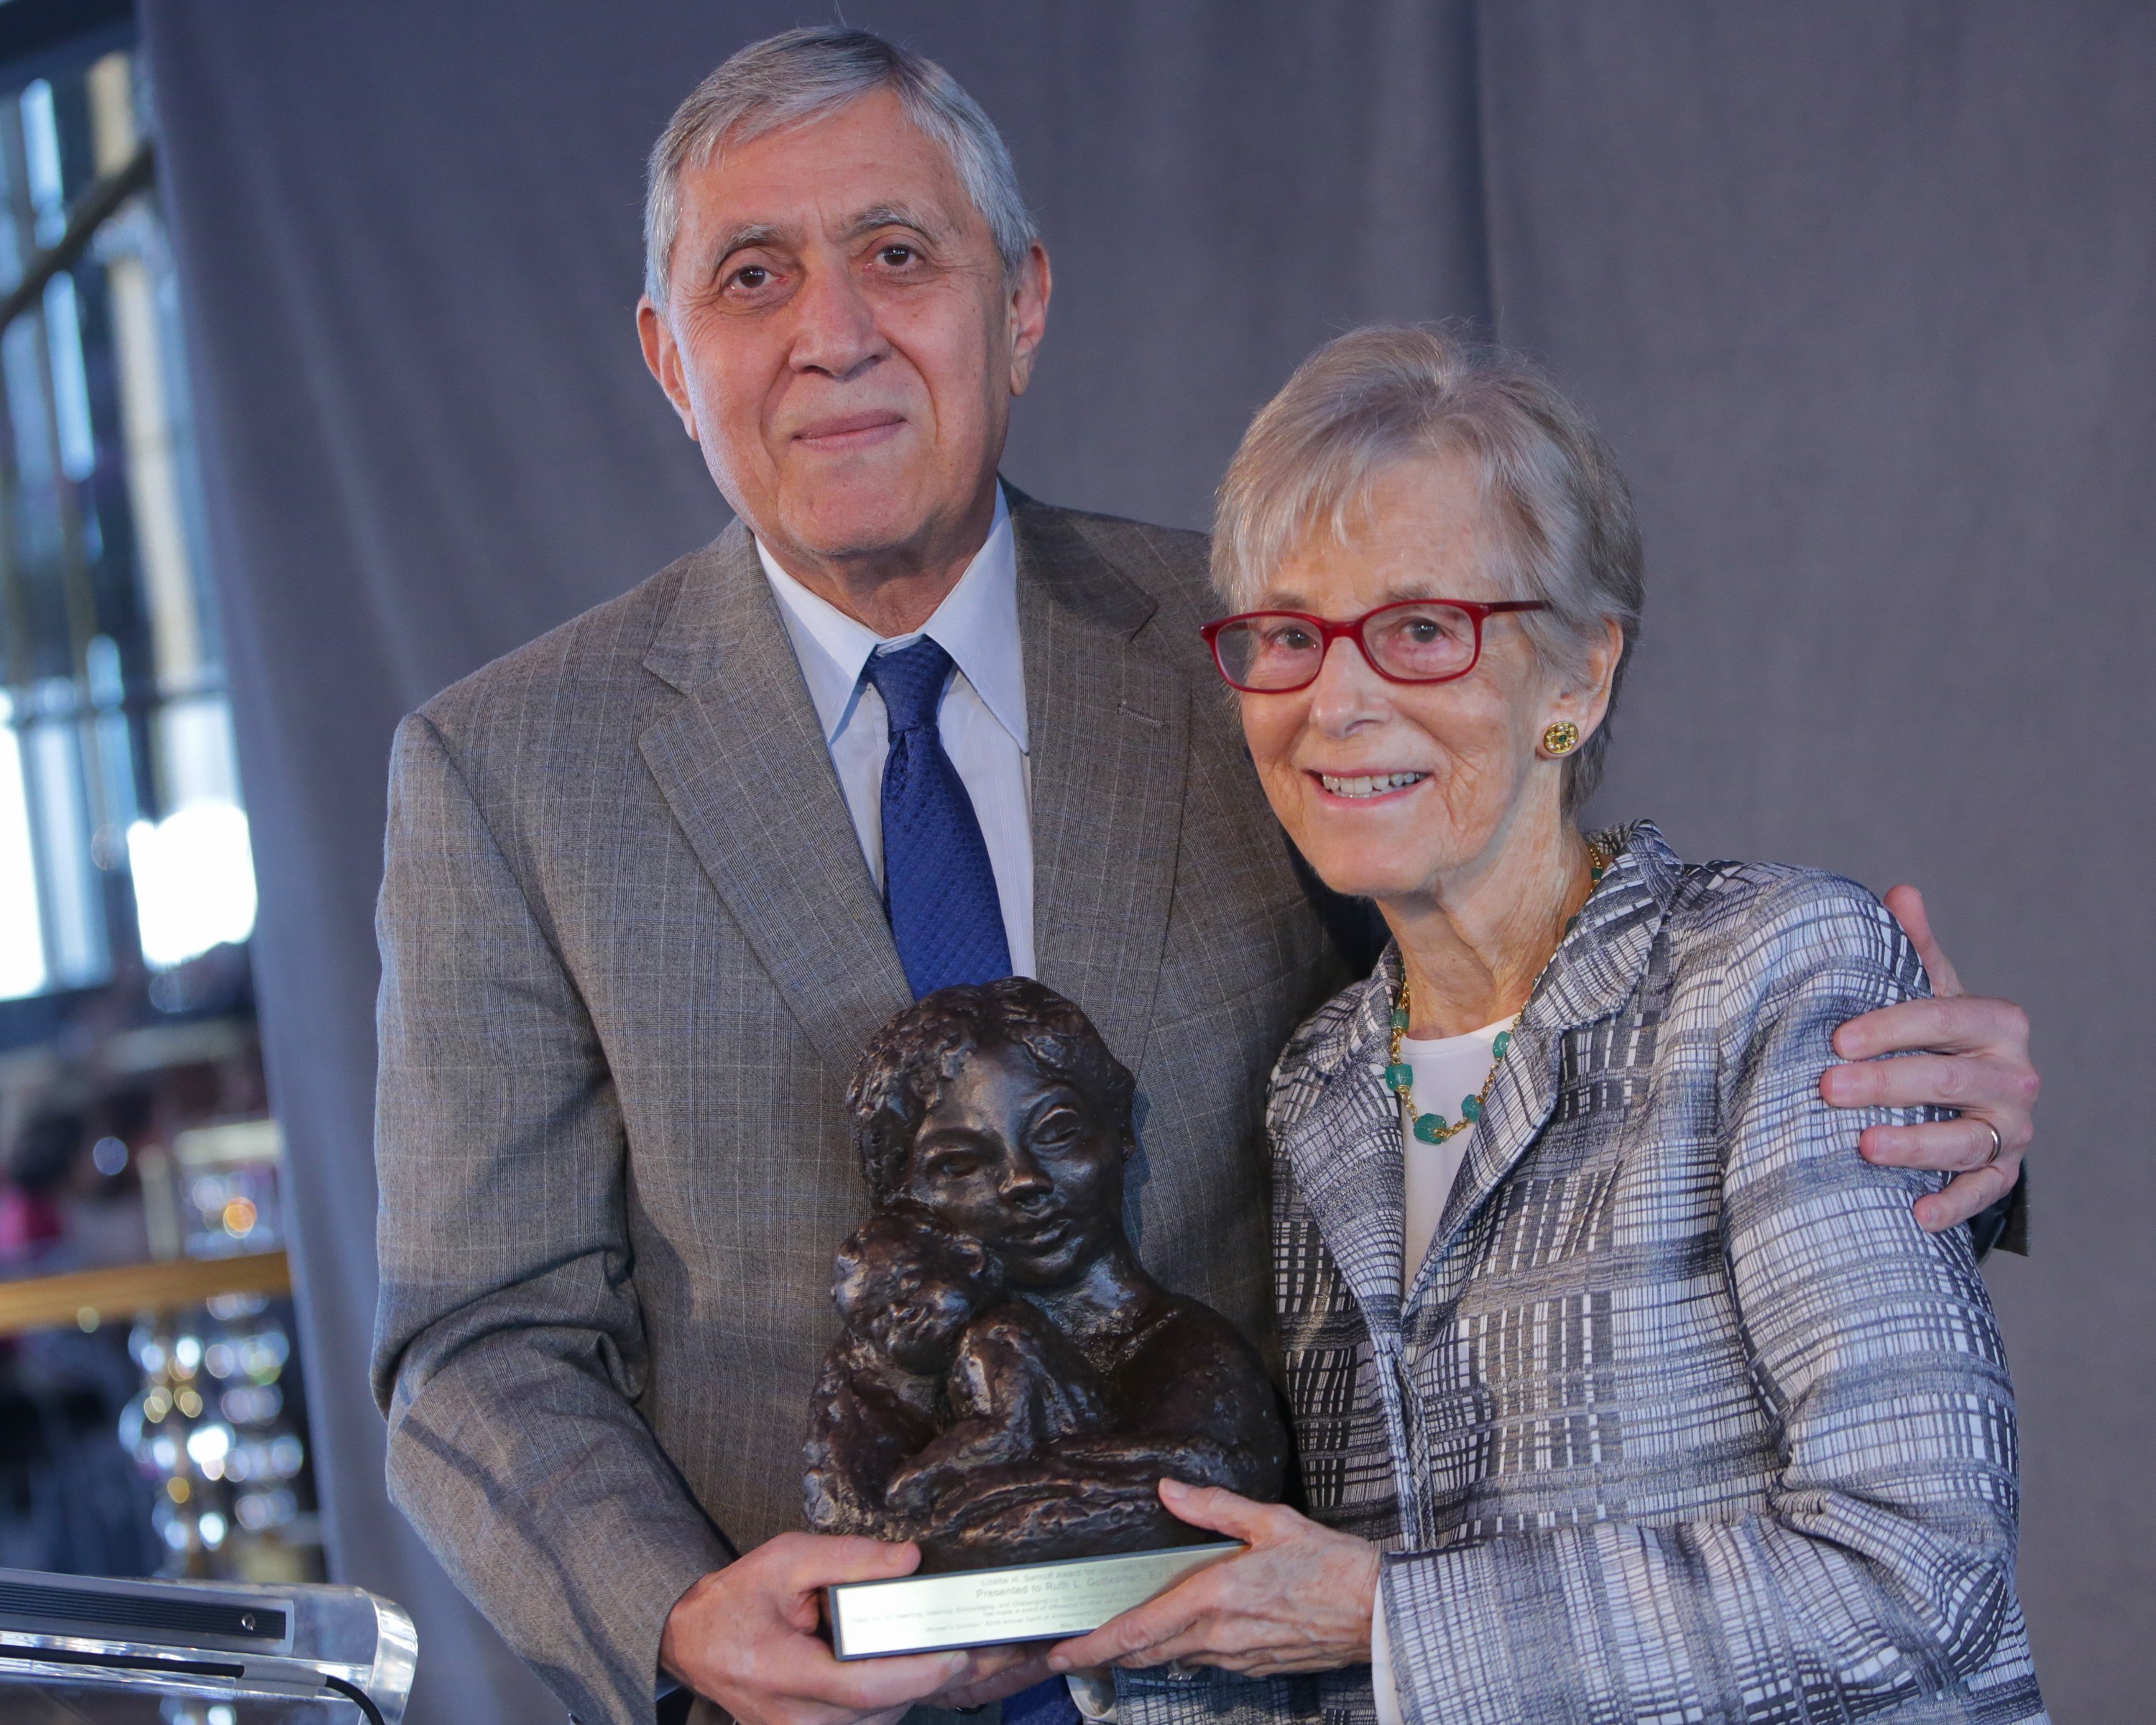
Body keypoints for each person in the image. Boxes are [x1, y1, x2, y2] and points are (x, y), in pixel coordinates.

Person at [369, 28, 2038, 1725]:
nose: (835, 333)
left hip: (1282, 1682)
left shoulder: (1258, 654)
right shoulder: (508, 772)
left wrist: (1885, 1103)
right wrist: (667, 1621)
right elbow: (475, 1338)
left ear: (1019, 300)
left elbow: (1566, 996)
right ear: (667, 355)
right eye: (752, 276)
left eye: (895, 252)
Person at [1044, 328, 2044, 1724]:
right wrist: (1065, 1648)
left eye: (1419, 629)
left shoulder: (1773, 973)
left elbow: (1914, 1568)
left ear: (1577, 678)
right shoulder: (1321, 1090)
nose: (1336, 700)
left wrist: (1384, 1616)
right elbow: (1323, 1630)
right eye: (1287, 635)